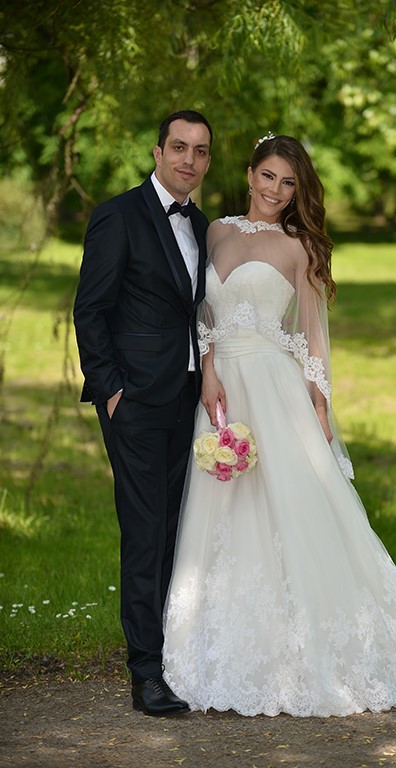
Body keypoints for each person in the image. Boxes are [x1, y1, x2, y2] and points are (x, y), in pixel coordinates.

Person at [161, 133, 396, 718]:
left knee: (294, 509)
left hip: (273, 388)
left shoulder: (299, 246)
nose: (276, 190)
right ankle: (220, 643)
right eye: (268, 176)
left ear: (298, 191)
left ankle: (320, 647)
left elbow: (313, 338)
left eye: (288, 183)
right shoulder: (214, 231)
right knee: (225, 511)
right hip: (222, 392)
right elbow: (201, 314)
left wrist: (319, 410)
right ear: (249, 174)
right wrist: (209, 373)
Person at [73, 110, 213, 716]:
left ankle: (173, 655)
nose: (189, 159)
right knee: (145, 529)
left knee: (179, 528)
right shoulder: (118, 215)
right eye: (179, 147)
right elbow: (90, 309)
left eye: (200, 151)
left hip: (187, 397)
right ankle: (145, 673)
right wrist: (110, 389)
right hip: (134, 401)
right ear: (157, 152)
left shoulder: (202, 224)